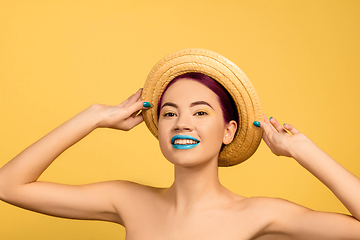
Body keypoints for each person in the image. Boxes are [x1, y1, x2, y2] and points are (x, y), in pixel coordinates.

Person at [1, 49, 360, 239]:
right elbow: (8, 186)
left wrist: (303, 151)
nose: (182, 122)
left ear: (229, 131)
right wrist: (93, 116)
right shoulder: (128, 200)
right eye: (169, 113)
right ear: (158, 127)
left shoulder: (260, 215)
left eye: (201, 113)